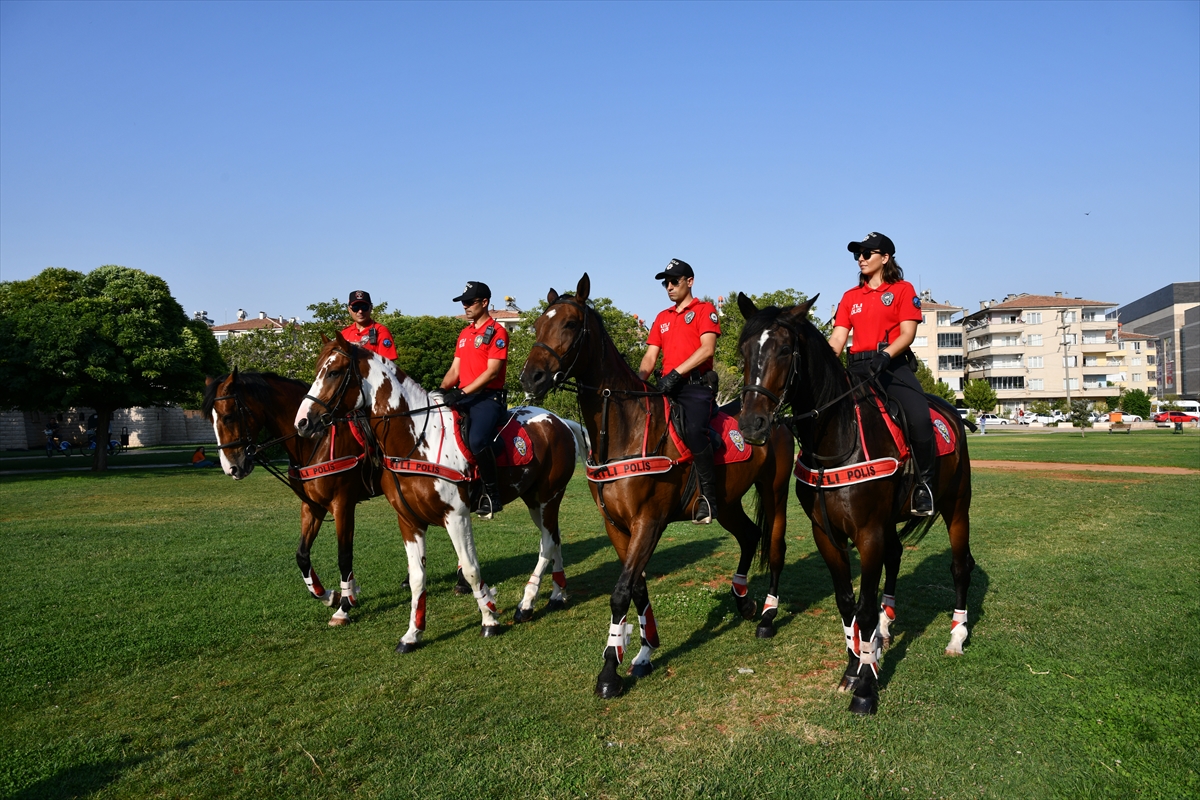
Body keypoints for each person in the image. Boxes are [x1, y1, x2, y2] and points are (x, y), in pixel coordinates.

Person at [828, 232, 937, 517]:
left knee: (919, 418)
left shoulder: (902, 289)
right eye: (857, 254)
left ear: (885, 257)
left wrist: (886, 355)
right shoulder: (850, 297)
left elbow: (908, 334)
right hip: (856, 369)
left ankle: (925, 485)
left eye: (867, 253)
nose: (861, 259)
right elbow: (838, 340)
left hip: (892, 368)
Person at [638, 258, 722, 524]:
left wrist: (676, 374)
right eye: (666, 282)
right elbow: (650, 358)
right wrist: (637, 383)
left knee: (694, 431)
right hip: (665, 387)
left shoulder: (704, 310)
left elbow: (707, 349)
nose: (669, 286)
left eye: (674, 281)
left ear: (690, 281)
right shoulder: (662, 317)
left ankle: (708, 499)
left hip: (695, 388)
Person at [437, 281, 509, 518]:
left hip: (488, 398)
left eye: (469, 302)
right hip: (464, 395)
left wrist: (462, 392)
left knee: (477, 440)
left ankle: (492, 495)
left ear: (484, 302)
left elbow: (492, 372)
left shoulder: (497, 333)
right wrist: (439, 390)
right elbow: (454, 370)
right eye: (463, 303)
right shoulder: (465, 333)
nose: (465, 306)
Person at [339, 290, 398, 360]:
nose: (360, 311)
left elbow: (388, 365)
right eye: (355, 308)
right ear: (349, 309)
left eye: (364, 307)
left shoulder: (381, 331)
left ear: (371, 307)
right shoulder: (344, 334)